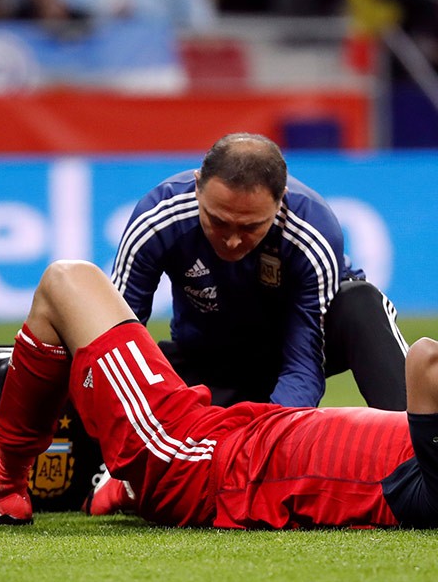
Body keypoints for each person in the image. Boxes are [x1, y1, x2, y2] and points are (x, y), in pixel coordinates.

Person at [0, 260, 438, 529]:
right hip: (231, 432)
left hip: (202, 462)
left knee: (65, 282)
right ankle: (117, 486)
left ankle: (3, 487)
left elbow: (430, 361)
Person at [111, 133, 409, 412]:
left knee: (360, 302)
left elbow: (304, 360)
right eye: (218, 221)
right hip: (208, 357)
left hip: (290, 351)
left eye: (250, 227)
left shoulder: (311, 231)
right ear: (198, 186)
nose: (232, 240)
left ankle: (418, 448)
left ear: (281, 201)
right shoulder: (158, 218)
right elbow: (115, 338)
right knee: (94, 353)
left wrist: (268, 437)